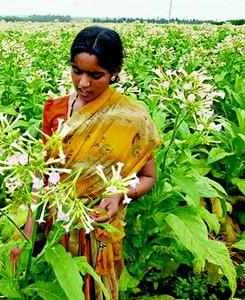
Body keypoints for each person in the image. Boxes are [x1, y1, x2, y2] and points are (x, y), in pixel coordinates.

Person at [23, 26, 161, 300]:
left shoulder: (131, 117)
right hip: (58, 225)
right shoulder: (56, 110)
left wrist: (120, 193)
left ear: (114, 73)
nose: (83, 83)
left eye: (95, 75)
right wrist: (26, 236)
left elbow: (148, 177)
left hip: (100, 229)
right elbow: (43, 175)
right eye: (77, 71)